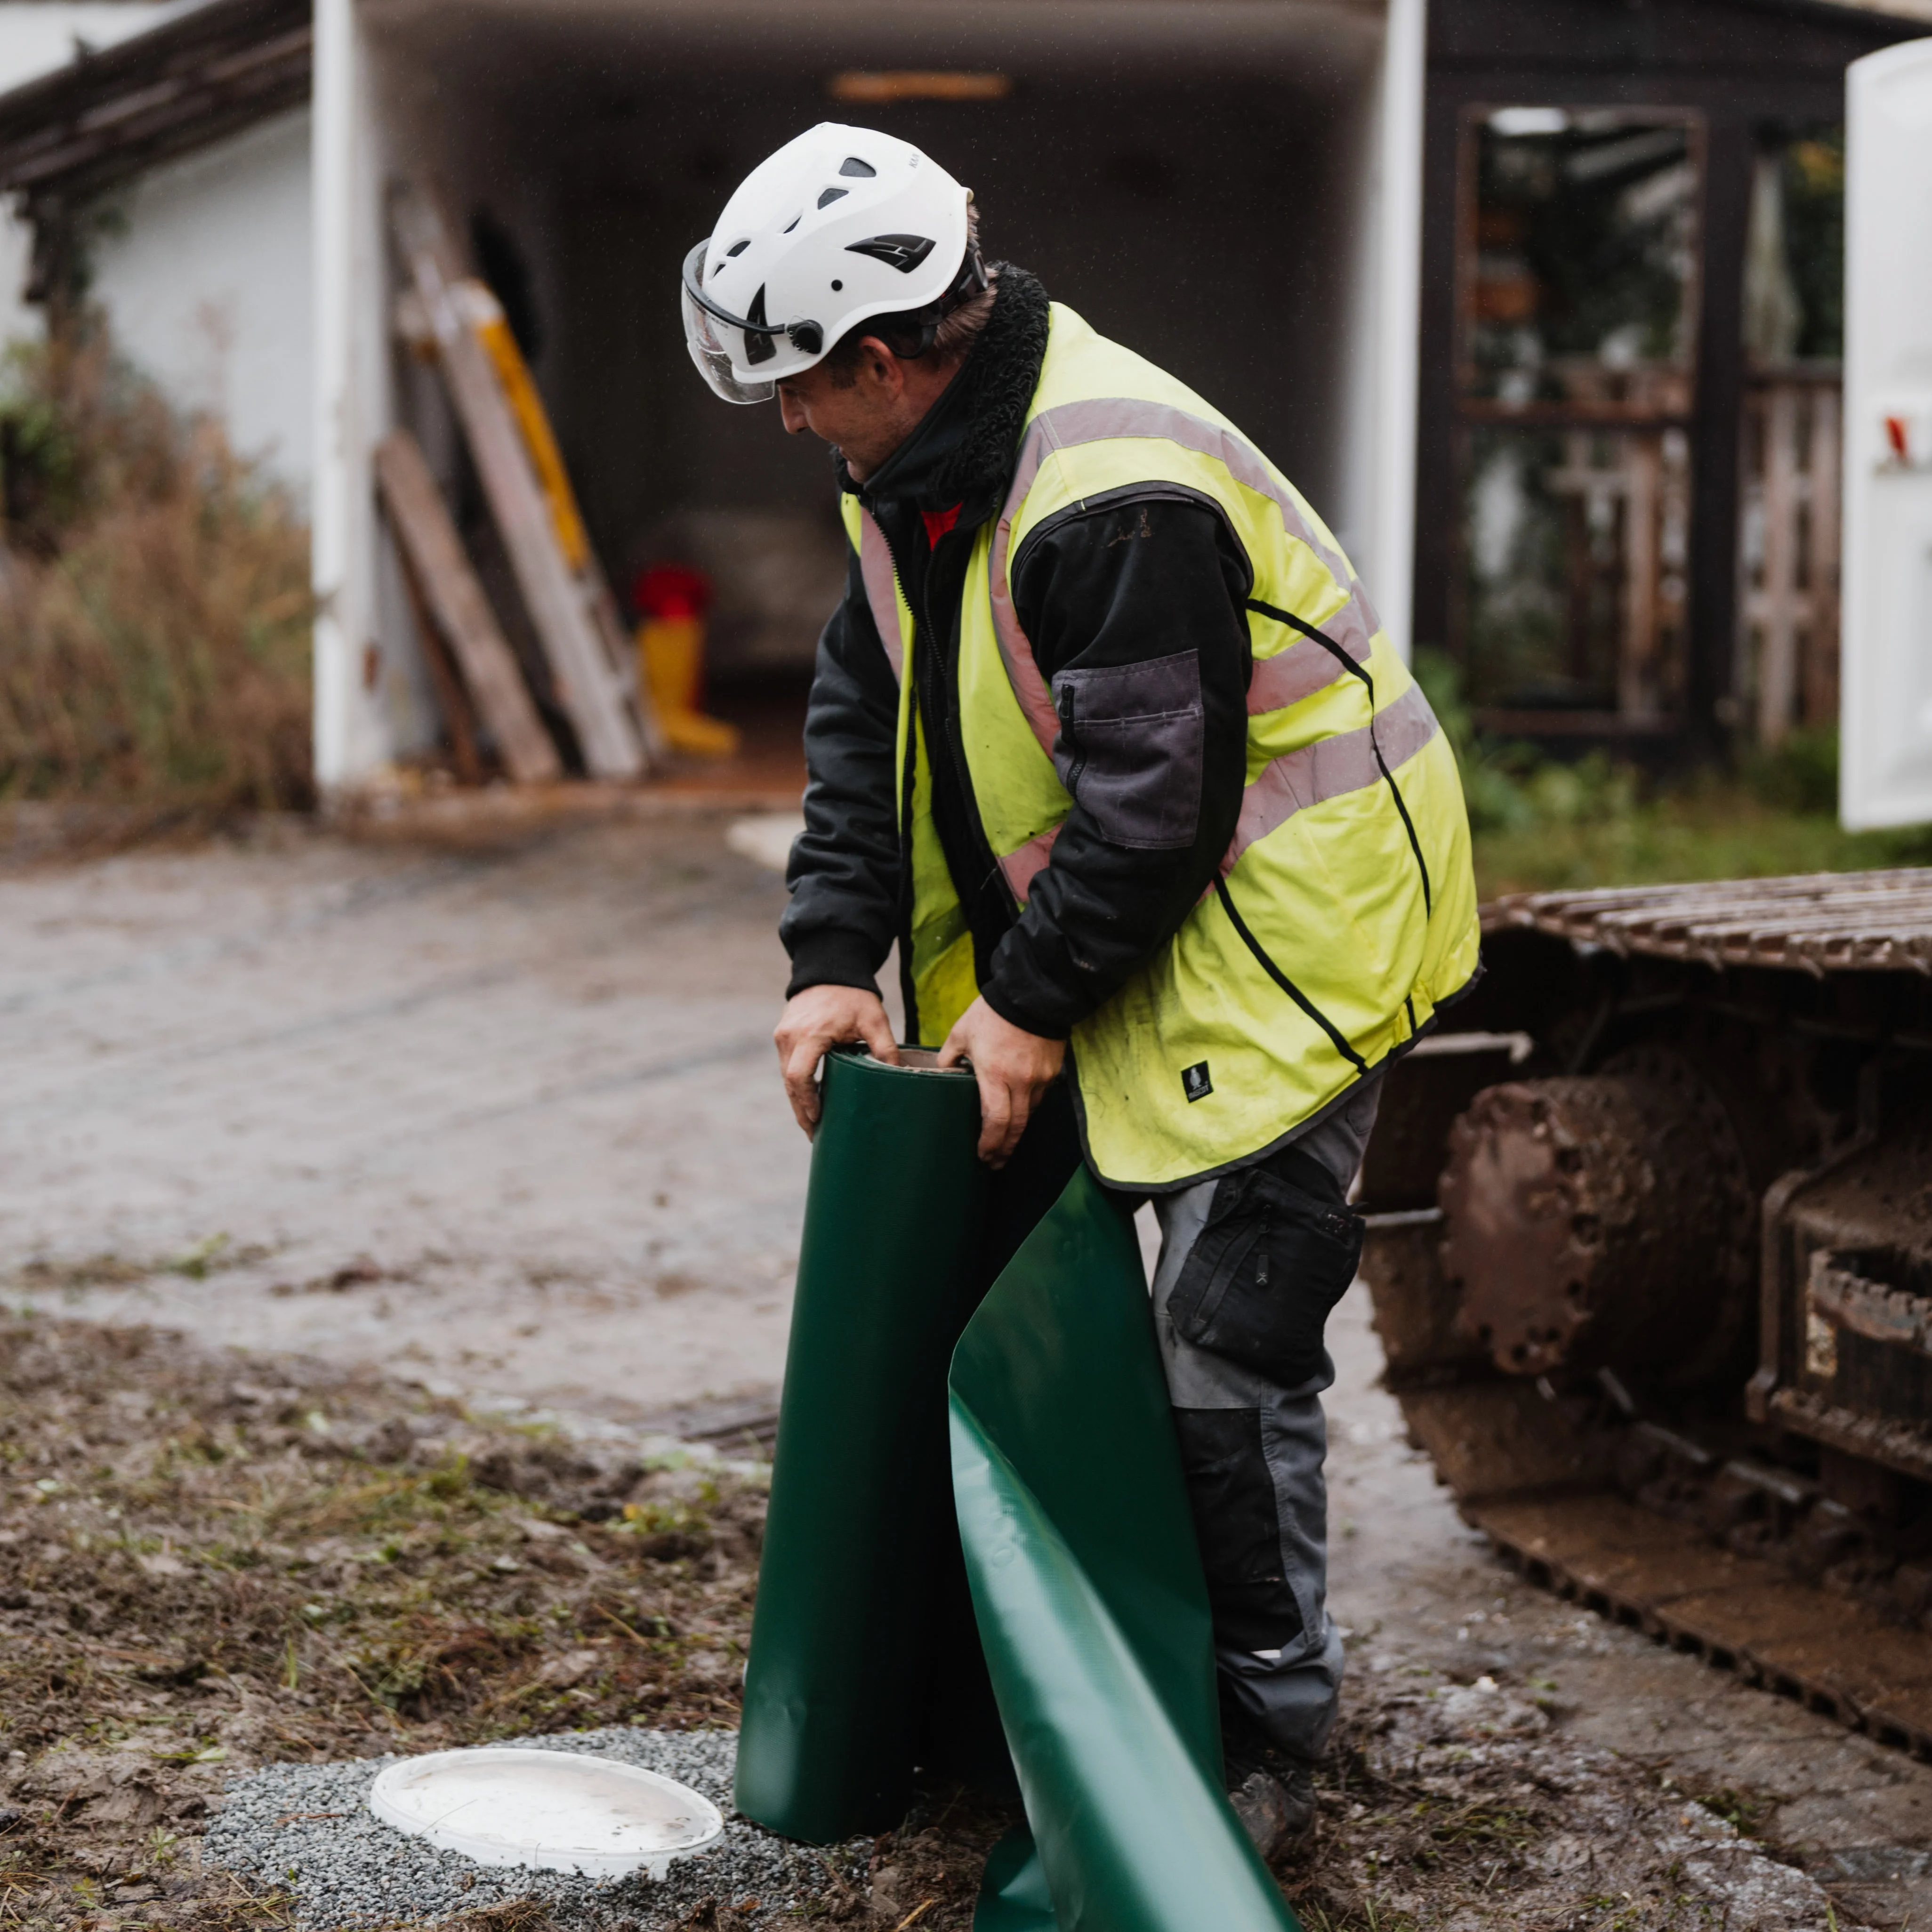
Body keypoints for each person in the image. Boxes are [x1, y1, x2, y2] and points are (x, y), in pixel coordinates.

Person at [681, 123, 1480, 1852]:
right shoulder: (909, 478)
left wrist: (1030, 1005)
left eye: (800, 385)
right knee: (1009, 1305)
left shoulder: (1111, 494)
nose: (791, 421)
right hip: (1132, 934)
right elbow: (866, 727)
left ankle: (1259, 1741)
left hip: (1286, 958)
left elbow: (1155, 811)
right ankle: (1023, 1686)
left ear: (882, 358)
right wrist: (830, 961)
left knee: (1219, 1347)